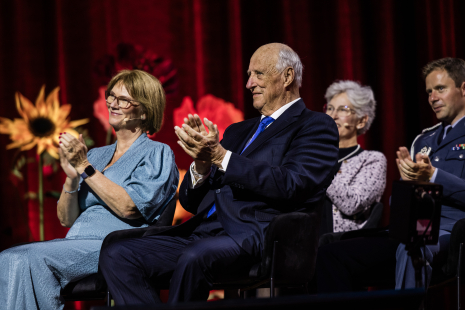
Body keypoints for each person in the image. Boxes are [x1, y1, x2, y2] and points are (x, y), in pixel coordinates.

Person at [99, 43, 339, 305]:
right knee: (117, 253)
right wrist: (201, 165)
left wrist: (222, 157)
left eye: (258, 74)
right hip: (204, 232)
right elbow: (190, 203)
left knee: (195, 257)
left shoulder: (315, 125)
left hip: (258, 234)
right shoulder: (237, 132)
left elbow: (294, 184)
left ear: (288, 77)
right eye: (249, 75)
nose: (249, 84)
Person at [0, 69, 179, 310]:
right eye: (111, 97)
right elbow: (66, 219)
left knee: (24, 258)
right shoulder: (96, 155)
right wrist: (72, 178)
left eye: (123, 100)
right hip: (75, 242)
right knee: (7, 258)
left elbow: (129, 207)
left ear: (145, 111)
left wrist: (84, 166)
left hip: (115, 245)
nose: (113, 105)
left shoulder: (157, 153)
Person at [317, 57, 465, 293]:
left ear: (463, 88)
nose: (432, 98)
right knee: (330, 253)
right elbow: (403, 205)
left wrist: (434, 176)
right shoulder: (424, 140)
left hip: (452, 232)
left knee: (412, 246)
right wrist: (408, 185)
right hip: (410, 230)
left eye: (440, 89)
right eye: (429, 92)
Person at [319, 81, 386, 240]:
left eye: (343, 109)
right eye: (330, 108)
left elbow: (353, 204)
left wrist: (319, 166)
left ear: (361, 121)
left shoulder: (372, 160)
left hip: (340, 244)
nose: (333, 115)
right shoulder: (315, 154)